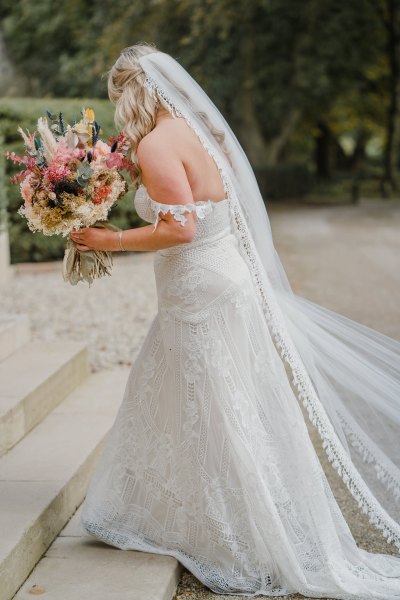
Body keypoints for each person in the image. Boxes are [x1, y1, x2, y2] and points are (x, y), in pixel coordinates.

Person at [73, 43, 400, 598]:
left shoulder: (156, 143)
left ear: (133, 93)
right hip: (223, 281)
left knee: (217, 408)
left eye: (118, 98)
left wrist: (110, 238)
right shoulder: (200, 132)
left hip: (198, 289)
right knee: (226, 404)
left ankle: (238, 536)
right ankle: (197, 514)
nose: (118, 111)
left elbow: (181, 229)